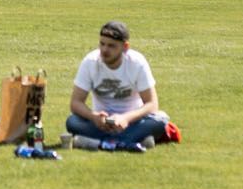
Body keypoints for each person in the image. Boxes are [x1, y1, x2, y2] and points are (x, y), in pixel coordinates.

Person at [65, 20, 170, 151]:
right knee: (72, 122)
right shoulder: (90, 62)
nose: (104, 50)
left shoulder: (137, 63)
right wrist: (94, 117)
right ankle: (134, 141)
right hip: (101, 123)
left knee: (161, 120)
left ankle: (93, 143)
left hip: (132, 122)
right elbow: (75, 103)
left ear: (125, 47)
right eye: (102, 44)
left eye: (111, 46)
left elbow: (151, 104)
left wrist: (125, 118)